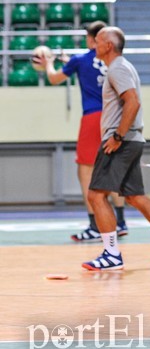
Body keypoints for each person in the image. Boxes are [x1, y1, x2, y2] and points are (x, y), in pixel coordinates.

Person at [81, 26, 150, 271]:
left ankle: (111, 254)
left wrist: (117, 136)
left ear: (108, 45)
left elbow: (133, 101)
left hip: (121, 142)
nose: (94, 45)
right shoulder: (121, 67)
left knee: (96, 195)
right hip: (132, 140)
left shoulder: (117, 68)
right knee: (135, 196)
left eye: (97, 41)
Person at [37, 21, 128, 243]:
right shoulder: (112, 61)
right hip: (115, 118)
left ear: (91, 38)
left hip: (93, 118)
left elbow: (54, 79)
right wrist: (72, 63)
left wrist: (48, 63)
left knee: (85, 172)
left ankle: (94, 226)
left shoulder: (80, 60)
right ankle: (121, 222)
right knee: (112, 171)